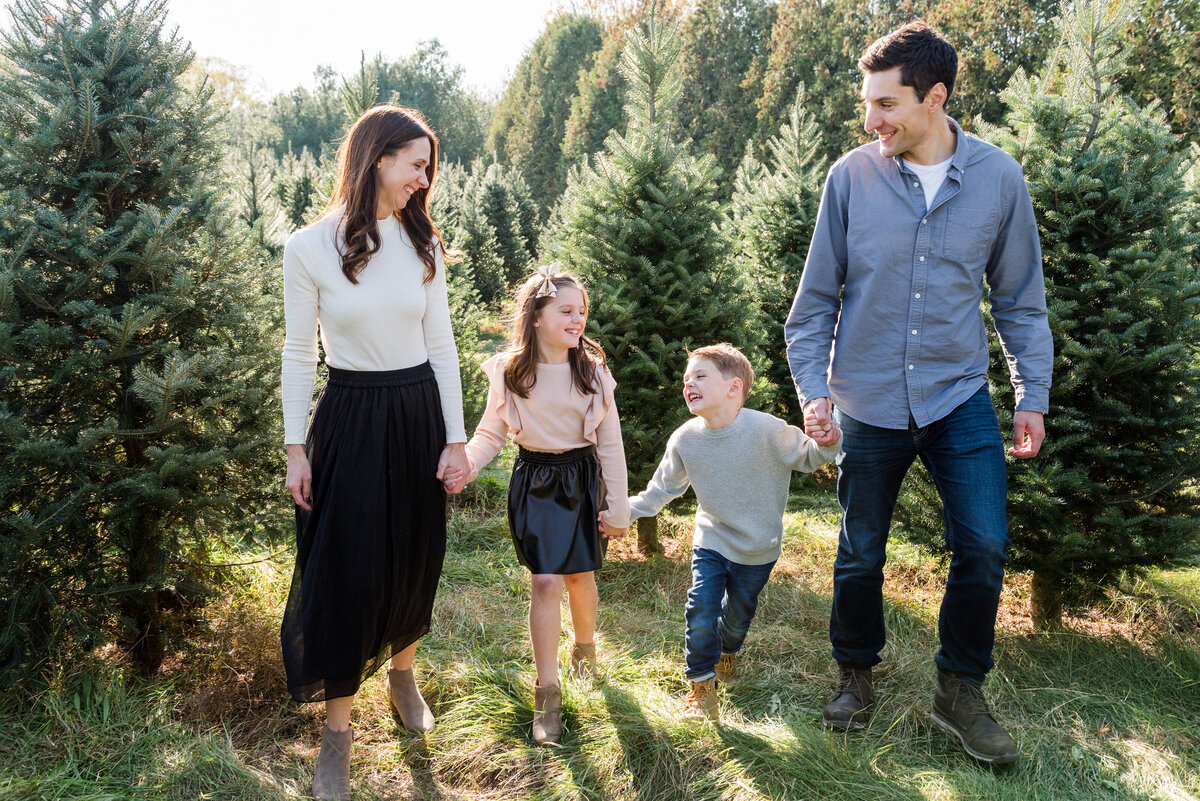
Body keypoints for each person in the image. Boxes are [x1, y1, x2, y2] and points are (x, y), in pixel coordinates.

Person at [785, 21, 1052, 765]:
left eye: (884, 104)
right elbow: (812, 307)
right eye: (867, 105)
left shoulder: (999, 179)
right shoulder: (850, 178)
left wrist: (1031, 394)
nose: (870, 122)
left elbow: (1021, 302)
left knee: (984, 544)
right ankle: (854, 674)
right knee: (859, 551)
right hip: (865, 398)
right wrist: (815, 391)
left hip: (956, 393)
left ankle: (959, 690)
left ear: (935, 97)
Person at [280, 105, 471, 800]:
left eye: (428, 167)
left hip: (417, 410)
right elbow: (299, 352)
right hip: (351, 414)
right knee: (347, 569)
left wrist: (455, 437)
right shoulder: (307, 248)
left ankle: (402, 673)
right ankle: (337, 732)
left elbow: (443, 346)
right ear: (376, 159)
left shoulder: (422, 245)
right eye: (415, 164)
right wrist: (295, 446)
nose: (424, 179)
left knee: (415, 554)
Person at [626, 344, 840, 723]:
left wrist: (828, 441)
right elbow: (661, 490)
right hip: (712, 538)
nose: (688, 383)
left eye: (700, 376)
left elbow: (810, 458)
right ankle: (701, 687)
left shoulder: (768, 429)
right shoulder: (685, 438)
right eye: (686, 379)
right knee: (701, 607)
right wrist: (623, 513)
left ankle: (728, 652)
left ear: (734, 387)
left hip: (759, 545)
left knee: (738, 616)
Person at [462, 267, 630, 747]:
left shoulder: (593, 375)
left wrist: (617, 507)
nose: (577, 320)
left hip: (581, 482)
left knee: (579, 577)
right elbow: (491, 433)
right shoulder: (511, 372)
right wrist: (468, 465)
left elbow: (611, 446)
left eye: (582, 312)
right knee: (545, 579)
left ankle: (585, 648)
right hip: (534, 481)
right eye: (566, 311)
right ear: (535, 316)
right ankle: (547, 690)